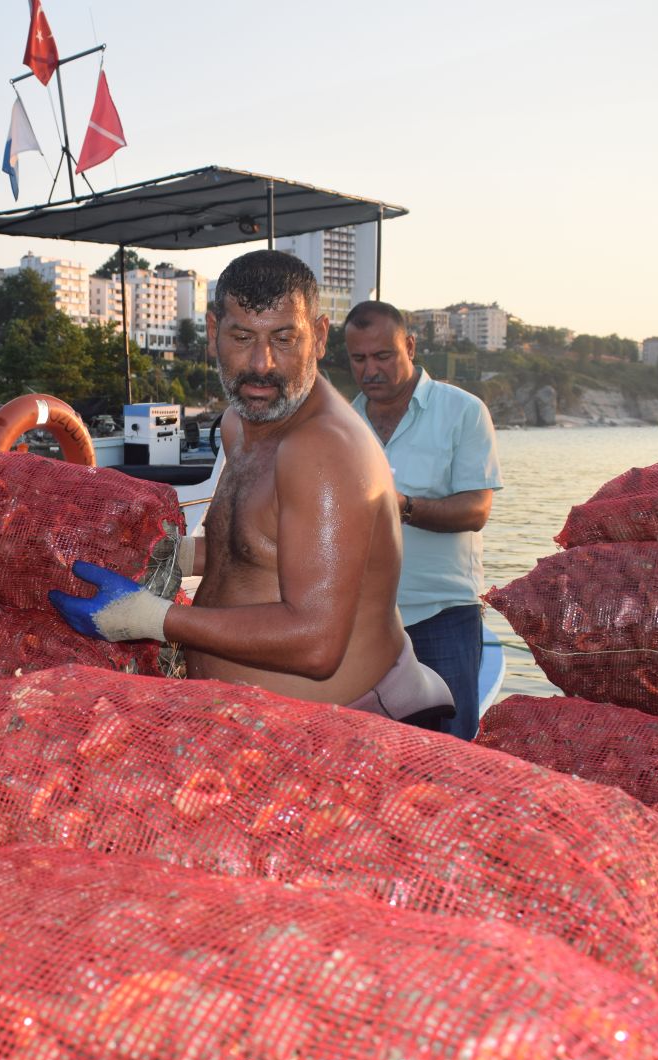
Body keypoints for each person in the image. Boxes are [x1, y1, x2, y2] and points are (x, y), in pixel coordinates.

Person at [49, 250, 451, 724]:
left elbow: (316, 642)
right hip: (246, 719)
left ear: (319, 336)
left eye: (284, 338)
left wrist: (148, 619)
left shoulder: (323, 449)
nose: (262, 364)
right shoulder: (241, 423)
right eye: (242, 337)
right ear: (212, 329)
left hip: (347, 725)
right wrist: (176, 553)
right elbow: (253, 551)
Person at [343, 300, 503, 741]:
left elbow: (477, 511)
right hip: (360, 621)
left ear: (410, 346)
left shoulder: (464, 411)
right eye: (359, 359)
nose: (370, 369)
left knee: (452, 755)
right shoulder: (340, 424)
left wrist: (402, 506)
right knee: (367, 752)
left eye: (383, 355)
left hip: (443, 616)